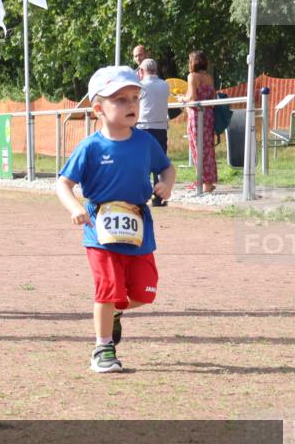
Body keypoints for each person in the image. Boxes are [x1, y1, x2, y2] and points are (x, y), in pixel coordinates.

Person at [55, 66, 175, 374]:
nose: (131, 104)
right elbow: (63, 183)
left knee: (144, 294)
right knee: (107, 290)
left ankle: (114, 313)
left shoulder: (146, 142)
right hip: (100, 227)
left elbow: (167, 168)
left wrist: (167, 184)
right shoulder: (90, 147)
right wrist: (74, 207)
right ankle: (103, 348)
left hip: (138, 225)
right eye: (120, 99)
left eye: (134, 98)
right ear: (98, 109)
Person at [176, 50, 216, 192]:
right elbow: (211, 95)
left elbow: (192, 97)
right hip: (209, 114)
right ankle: (208, 181)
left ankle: (202, 182)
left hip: (197, 115)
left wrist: (182, 99)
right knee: (208, 148)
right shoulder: (209, 77)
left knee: (197, 147)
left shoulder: (192, 76)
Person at [136, 58, 171, 207]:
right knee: (160, 164)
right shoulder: (165, 85)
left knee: (142, 163)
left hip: (143, 126)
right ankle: (159, 197)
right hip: (161, 127)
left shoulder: (141, 86)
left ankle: (140, 195)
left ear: (142, 71)